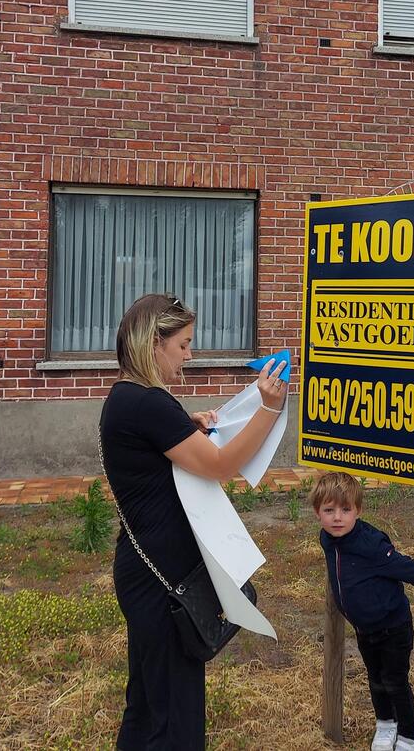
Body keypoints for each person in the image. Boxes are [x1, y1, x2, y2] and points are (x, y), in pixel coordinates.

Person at [100, 292, 288, 749]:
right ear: (154, 343)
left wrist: (186, 425)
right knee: (174, 718)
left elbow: (153, 446)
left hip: (147, 573)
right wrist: (268, 409)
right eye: (183, 345)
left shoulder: (127, 398)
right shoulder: (150, 405)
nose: (189, 355)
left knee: (148, 704)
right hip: (163, 583)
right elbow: (221, 465)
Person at [310, 471, 414, 751]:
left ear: (358, 511)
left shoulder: (371, 545)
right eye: (329, 511)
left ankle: (409, 737)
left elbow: (403, 567)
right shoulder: (327, 539)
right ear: (317, 512)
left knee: (395, 682)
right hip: (364, 629)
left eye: (346, 510)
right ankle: (386, 724)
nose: (337, 518)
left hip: (393, 627)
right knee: (376, 679)